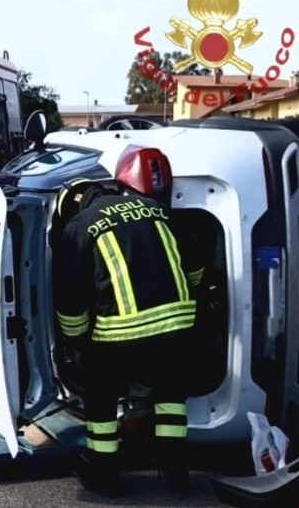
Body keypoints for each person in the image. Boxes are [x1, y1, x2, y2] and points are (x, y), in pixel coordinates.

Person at [51, 179, 205, 497]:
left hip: (119, 332)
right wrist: (191, 293)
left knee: (102, 399)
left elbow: (71, 295)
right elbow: (195, 263)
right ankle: (174, 469)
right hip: (176, 325)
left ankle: (105, 474)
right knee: (170, 397)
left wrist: (76, 342)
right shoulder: (156, 209)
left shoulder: (80, 226)